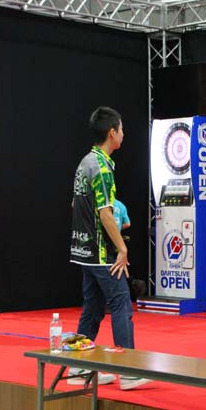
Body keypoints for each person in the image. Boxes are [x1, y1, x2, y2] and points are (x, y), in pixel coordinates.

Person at [69, 106, 151, 390]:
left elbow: (75, 205)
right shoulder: (102, 168)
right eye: (122, 129)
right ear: (112, 132)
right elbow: (105, 214)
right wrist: (122, 250)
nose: (124, 134)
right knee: (121, 303)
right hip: (102, 252)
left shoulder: (85, 163)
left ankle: (79, 366)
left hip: (83, 249)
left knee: (92, 307)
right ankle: (128, 372)